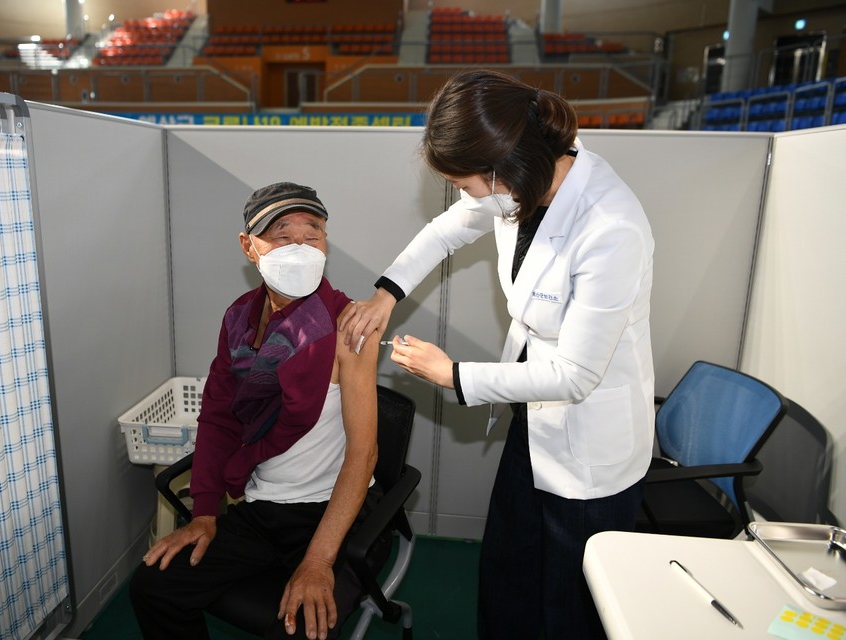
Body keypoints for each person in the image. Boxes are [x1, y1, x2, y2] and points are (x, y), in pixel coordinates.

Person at [339, 69, 655, 640]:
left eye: (466, 183)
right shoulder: (527, 175)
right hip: (530, 416)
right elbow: (446, 231)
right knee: (508, 571)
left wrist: (452, 375)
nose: (466, 198)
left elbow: (577, 375)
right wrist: (387, 293)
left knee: (570, 605)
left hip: (590, 446)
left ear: (503, 168)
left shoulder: (610, 227)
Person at [130, 181, 381, 640]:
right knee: (154, 587)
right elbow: (220, 415)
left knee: (304, 627)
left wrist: (319, 560)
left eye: (314, 233)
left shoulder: (349, 327)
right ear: (250, 247)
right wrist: (205, 510)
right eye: (282, 235)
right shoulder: (240, 319)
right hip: (263, 507)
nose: (301, 247)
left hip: (332, 512)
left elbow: (363, 456)